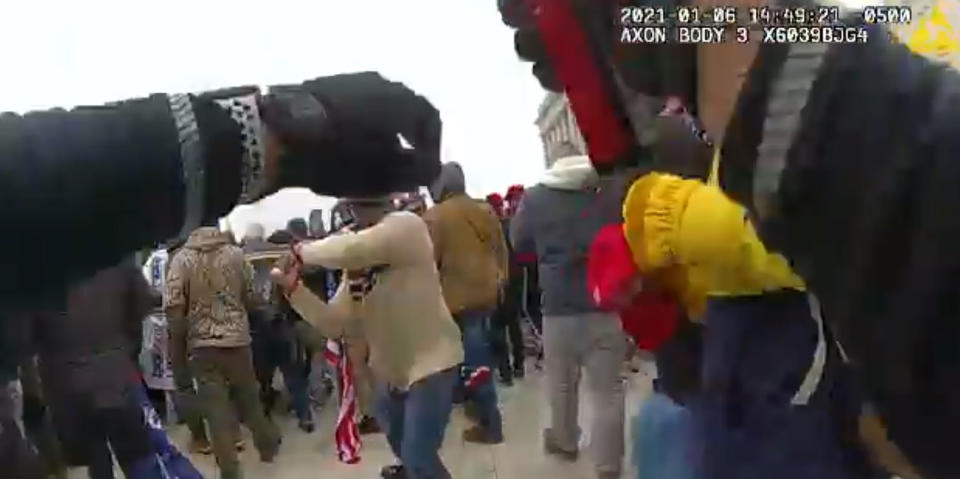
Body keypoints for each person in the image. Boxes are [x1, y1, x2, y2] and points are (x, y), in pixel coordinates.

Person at [274, 196, 463, 479]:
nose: (356, 214)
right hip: (391, 372)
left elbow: (357, 247)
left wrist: (301, 250)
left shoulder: (406, 227)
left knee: (419, 458)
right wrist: (295, 291)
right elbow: (334, 324)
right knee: (405, 453)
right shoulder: (358, 269)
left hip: (431, 364)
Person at [510, 152, 627, 479]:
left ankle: (564, 441)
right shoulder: (606, 191)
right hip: (604, 301)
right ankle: (608, 464)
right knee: (608, 390)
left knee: (561, 383)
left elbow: (519, 242)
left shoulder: (535, 197)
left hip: (558, 305)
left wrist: (549, 250)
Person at [165, 225, 280, 479]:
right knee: (249, 398)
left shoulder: (181, 260)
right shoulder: (236, 254)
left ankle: (230, 471)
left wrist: (178, 346)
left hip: (202, 345)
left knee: (216, 410)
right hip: (238, 342)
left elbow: (173, 308)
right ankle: (267, 444)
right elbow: (251, 297)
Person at [29, 261, 160, 479]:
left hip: (68, 385)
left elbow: (27, 335)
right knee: (136, 456)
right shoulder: (115, 255)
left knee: (94, 455)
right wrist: (127, 345)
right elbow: (143, 302)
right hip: (116, 373)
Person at [423, 162, 508, 444]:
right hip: (487, 295)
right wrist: (499, 282)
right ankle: (476, 407)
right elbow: (502, 252)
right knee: (479, 355)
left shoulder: (436, 217)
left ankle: (490, 423)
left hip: (457, 301)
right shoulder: (484, 210)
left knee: (472, 363)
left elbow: (429, 263)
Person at [243, 222, 316, 433]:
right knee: (293, 373)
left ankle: (265, 420)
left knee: (261, 377)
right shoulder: (278, 254)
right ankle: (305, 417)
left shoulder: (239, 258)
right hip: (281, 322)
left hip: (256, 326)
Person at [485, 192, 524, 386]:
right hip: (514, 279)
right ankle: (519, 366)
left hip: (496, 280)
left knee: (498, 327)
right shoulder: (511, 225)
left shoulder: (489, 230)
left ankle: (505, 372)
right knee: (513, 324)